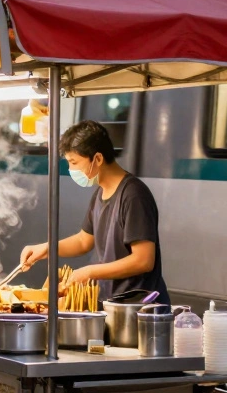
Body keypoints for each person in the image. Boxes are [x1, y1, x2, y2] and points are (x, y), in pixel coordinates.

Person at [20, 120, 169, 305]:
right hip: (112, 304)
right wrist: (47, 248)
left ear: (97, 159)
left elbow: (143, 260)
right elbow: (84, 241)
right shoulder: (100, 193)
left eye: (74, 162)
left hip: (138, 307)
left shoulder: (133, 195)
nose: (71, 170)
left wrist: (89, 272)